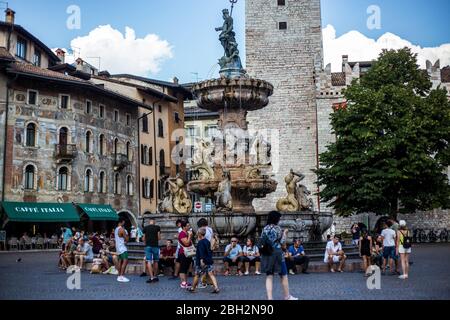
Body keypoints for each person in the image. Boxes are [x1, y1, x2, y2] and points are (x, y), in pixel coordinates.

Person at [260, 211, 297, 300]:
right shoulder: (277, 228)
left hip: (267, 253)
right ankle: (287, 296)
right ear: (276, 219)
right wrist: (285, 233)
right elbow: (282, 242)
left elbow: (262, 241)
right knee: (283, 275)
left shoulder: (264, 229)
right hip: (277, 253)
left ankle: (270, 298)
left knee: (269, 276)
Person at [187, 227, 220, 294]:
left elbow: (201, 252)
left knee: (197, 274)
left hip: (201, 261)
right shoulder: (207, 241)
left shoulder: (200, 242)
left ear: (199, 234)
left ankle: (193, 288)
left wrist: (202, 260)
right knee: (211, 274)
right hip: (208, 260)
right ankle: (216, 288)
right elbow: (209, 251)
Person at [143, 218, 161, 283]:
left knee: (149, 261)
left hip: (148, 246)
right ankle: (155, 276)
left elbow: (143, 238)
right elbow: (159, 238)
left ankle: (151, 277)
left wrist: (145, 243)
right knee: (156, 261)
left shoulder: (145, 228)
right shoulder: (157, 227)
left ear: (149, 222)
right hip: (155, 246)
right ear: (154, 222)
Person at [178, 220, 194, 289]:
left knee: (186, 268)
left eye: (189, 225)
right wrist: (190, 236)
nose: (189, 227)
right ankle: (183, 283)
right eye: (187, 226)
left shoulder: (187, 233)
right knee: (183, 268)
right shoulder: (182, 234)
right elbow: (186, 243)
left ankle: (185, 282)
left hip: (188, 253)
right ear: (184, 227)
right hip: (183, 253)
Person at [115, 218, 130, 282]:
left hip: (118, 247)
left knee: (120, 261)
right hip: (122, 248)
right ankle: (121, 276)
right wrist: (127, 235)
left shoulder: (116, 229)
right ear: (122, 222)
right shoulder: (122, 229)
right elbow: (127, 239)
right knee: (125, 261)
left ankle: (119, 275)